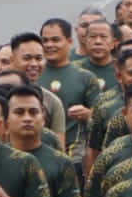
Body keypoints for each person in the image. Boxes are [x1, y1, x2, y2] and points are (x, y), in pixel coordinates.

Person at [41, 18, 101, 169]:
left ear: (69, 41)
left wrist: (87, 115)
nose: (49, 45)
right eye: (45, 40)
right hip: (37, 155)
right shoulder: (32, 74)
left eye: (55, 40)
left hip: (73, 159)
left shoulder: (85, 77)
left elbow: (100, 120)